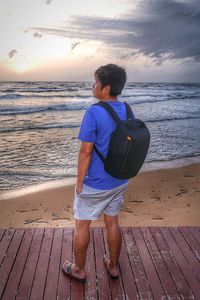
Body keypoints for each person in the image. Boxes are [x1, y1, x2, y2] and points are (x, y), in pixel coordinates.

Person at [62, 63, 134, 283]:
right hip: (119, 179)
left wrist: (79, 182)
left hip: (96, 182)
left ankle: (79, 269)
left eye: (96, 82)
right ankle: (113, 266)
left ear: (105, 89)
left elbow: (85, 152)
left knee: (82, 224)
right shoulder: (128, 109)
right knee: (112, 221)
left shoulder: (94, 112)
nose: (93, 86)